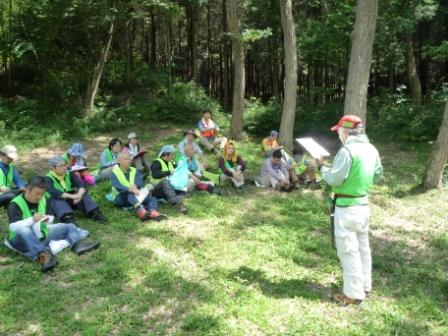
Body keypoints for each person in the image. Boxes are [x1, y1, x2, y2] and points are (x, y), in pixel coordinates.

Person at [316, 115, 383, 305]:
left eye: (339, 131)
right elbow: (378, 174)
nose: (338, 135)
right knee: (363, 248)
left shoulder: (347, 151)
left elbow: (334, 180)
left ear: (345, 132)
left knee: (348, 251)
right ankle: (365, 286)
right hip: (363, 206)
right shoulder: (372, 149)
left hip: (346, 209)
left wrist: (322, 166)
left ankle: (353, 295)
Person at [6, 176, 100, 272]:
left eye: (41, 194)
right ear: (27, 190)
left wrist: (47, 220)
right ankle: (44, 256)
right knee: (24, 230)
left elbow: (50, 216)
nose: (39, 197)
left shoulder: (45, 199)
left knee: (69, 226)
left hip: (40, 235)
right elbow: (13, 227)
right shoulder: (15, 203)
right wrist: (32, 220)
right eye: (37, 193)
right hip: (21, 241)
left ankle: (77, 245)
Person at [46, 156, 108, 224]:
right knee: (56, 198)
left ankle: (95, 213)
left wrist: (79, 195)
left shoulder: (69, 174)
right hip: (55, 205)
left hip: (71, 201)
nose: (64, 167)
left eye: (65, 164)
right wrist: (73, 196)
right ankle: (68, 218)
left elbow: (81, 183)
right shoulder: (47, 178)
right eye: (61, 166)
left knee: (81, 191)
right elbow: (54, 192)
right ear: (52, 168)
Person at [110, 151, 166, 221]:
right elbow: (118, 186)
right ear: (119, 161)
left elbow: (140, 182)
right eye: (126, 159)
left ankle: (153, 212)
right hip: (120, 198)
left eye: (130, 158)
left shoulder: (134, 170)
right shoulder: (114, 173)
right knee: (130, 194)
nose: (129, 160)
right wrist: (130, 189)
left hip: (135, 196)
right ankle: (140, 211)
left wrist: (136, 186)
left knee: (152, 199)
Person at [150, 145, 187, 214]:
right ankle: (177, 204)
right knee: (165, 181)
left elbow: (178, 170)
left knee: (182, 188)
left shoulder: (171, 163)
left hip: (168, 189)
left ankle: (177, 200)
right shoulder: (156, 162)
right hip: (157, 189)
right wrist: (168, 172)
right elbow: (155, 175)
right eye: (172, 154)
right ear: (166, 154)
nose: (173, 156)